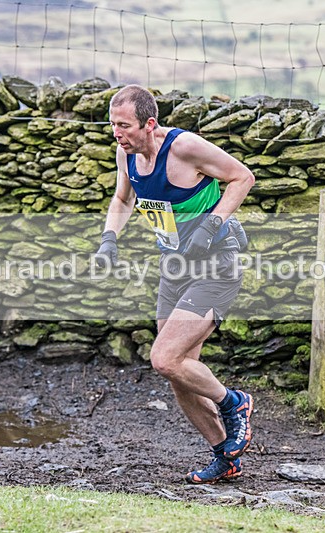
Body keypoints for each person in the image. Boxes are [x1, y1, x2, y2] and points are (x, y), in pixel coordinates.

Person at [94, 84, 255, 483]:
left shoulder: (184, 148)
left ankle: (235, 403)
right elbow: (123, 199)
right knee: (180, 371)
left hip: (215, 263)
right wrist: (109, 238)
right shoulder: (126, 153)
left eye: (124, 126)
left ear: (150, 124)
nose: (117, 133)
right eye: (113, 125)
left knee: (164, 358)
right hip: (175, 267)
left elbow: (242, 177)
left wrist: (211, 225)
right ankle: (226, 456)